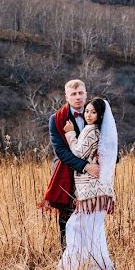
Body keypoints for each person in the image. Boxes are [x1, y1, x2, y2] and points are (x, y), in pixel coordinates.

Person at [56, 97, 126, 270]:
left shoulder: (91, 131)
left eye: (93, 112)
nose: (88, 115)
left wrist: (70, 134)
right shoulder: (102, 133)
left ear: (100, 115)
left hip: (90, 192)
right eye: (87, 111)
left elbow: (77, 153)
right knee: (93, 230)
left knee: (76, 227)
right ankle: (94, 268)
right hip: (100, 191)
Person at [38, 80, 101, 248]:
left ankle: (90, 254)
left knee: (90, 214)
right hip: (65, 171)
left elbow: (107, 142)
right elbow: (61, 152)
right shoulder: (56, 119)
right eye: (73, 94)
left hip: (92, 175)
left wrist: (106, 161)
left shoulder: (97, 114)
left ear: (86, 94)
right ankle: (66, 257)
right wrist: (86, 166)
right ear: (66, 97)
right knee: (67, 217)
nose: (78, 97)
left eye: (81, 93)